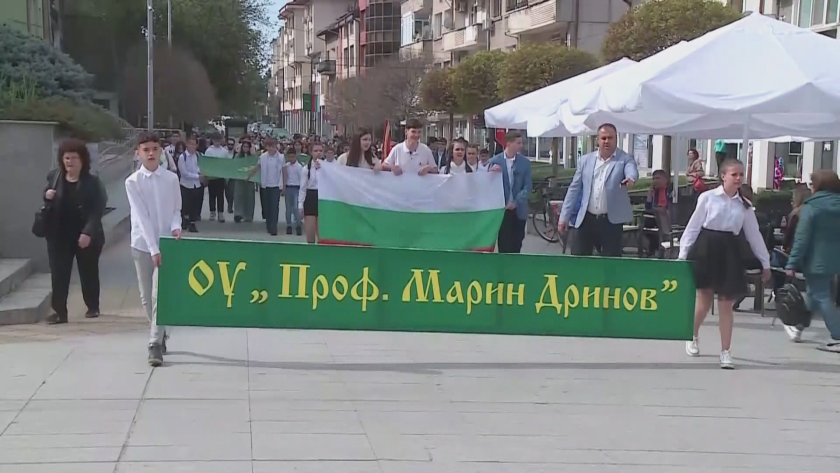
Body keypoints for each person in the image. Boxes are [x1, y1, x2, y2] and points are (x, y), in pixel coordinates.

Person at [679, 159, 770, 369]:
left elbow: (754, 235)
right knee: (704, 300)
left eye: (741, 175)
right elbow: (693, 227)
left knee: (726, 303)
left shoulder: (745, 205)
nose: (738, 178)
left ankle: (725, 351)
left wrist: (765, 263)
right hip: (707, 249)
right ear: (723, 176)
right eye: (734, 174)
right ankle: (692, 334)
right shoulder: (707, 198)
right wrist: (682, 255)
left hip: (730, 251)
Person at [125, 131, 182, 367]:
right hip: (142, 244)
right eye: (146, 150)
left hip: (166, 243)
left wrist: (176, 227)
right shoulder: (132, 182)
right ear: (138, 153)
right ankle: (159, 330)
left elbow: (176, 209)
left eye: (154, 149)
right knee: (146, 297)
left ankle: (154, 343)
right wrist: (152, 248)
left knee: (160, 294)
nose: (150, 153)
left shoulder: (171, 179)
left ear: (161, 152)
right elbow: (141, 217)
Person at [42, 139, 106, 324]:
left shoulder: (92, 182)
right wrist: (47, 196)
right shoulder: (54, 177)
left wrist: (88, 232)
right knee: (59, 274)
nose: (69, 162)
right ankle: (60, 312)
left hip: (85, 234)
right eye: (66, 158)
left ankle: (92, 306)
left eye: (74, 158)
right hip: (59, 234)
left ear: (82, 160)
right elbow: (46, 198)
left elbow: (97, 210)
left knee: (88, 271)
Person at [557, 123, 639, 257]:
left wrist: (631, 178)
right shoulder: (585, 160)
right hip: (586, 219)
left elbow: (631, 170)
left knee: (610, 262)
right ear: (597, 140)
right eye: (603, 138)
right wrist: (564, 217)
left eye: (610, 138)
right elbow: (574, 190)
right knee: (579, 258)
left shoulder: (624, 159)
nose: (607, 141)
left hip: (611, 221)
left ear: (616, 139)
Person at [785, 170, 840, 351]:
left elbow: (802, 238)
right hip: (835, 258)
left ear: (817, 186)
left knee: (821, 295)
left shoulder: (812, 207)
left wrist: (792, 263)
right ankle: (798, 327)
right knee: (814, 294)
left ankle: (837, 335)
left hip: (816, 259)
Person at [489, 130, 532, 254]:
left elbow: (528, 186)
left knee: (517, 242)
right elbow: (489, 187)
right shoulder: (495, 161)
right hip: (502, 210)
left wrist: (516, 201)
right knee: (504, 242)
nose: (521, 146)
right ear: (508, 143)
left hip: (519, 209)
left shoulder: (525, 163)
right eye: (518, 143)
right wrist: (491, 173)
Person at [299, 142, 334, 244]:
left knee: (322, 236)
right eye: (315, 151)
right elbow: (303, 188)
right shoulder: (306, 169)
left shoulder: (329, 168)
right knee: (310, 235)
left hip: (323, 198)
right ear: (311, 152)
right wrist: (300, 205)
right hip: (311, 197)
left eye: (320, 151)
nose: (318, 153)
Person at [247, 137, 284, 236]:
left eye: (273, 146)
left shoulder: (280, 157)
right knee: (267, 206)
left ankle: (274, 226)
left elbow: (283, 171)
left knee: (274, 206)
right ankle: (268, 224)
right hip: (265, 185)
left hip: (276, 185)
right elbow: (257, 167)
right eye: (269, 146)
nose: (271, 148)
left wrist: (283, 185)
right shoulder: (263, 157)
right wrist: (249, 176)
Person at [643, 169, 673, 257]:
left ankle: (655, 250)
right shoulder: (655, 191)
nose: (655, 181)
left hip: (668, 216)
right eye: (654, 178)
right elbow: (648, 208)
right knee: (648, 223)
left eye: (658, 178)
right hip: (656, 216)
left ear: (665, 180)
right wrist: (650, 195)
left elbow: (672, 205)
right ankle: (653, 251)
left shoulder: (671, 190)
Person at [177, 136, 202, 233]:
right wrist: (197, 176)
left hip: (196, 185)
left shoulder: (198, 156)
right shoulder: (182, 157)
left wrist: (201, 174)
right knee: (185, 204)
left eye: (194, 144)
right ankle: (184, 220)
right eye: (190, 144)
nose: (192, 146)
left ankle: (192, 223)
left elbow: (200, 167)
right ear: (187, 145)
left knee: (194, 205)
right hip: (185, 184)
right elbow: (184, 173)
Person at [204, 134, 230, 222]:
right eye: (215, 140)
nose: (217, 142)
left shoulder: (224, 151)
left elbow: (226, 164)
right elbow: (206, 163)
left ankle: (220, 213)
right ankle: (212, 212)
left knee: (220, 195)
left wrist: (226, 176)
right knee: (212, 195)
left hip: (220, 176)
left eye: (219, 140)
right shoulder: (209, 151)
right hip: (211, 176)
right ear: (212, 140)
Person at [233, 140, 256, 223]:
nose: (245, 148)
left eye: (247, 147)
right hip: (239, 179)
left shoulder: (253, 157)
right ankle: (238, 214)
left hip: (250, 179)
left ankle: (248, 215)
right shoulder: (237, 156)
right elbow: (234, 166)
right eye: (244, 146)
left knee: (249, 197)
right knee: (238, 196)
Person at [283, 147, 304, 236]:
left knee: (296, 208)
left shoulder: (299, 167)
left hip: (296, 188)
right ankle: (289, 225)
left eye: (292, 157)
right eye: (289, 157)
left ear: (295, 156)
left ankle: (298, 225)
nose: (291, 159)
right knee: (288, 208)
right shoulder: (286, 166)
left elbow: (301, 179)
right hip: (288, 187)